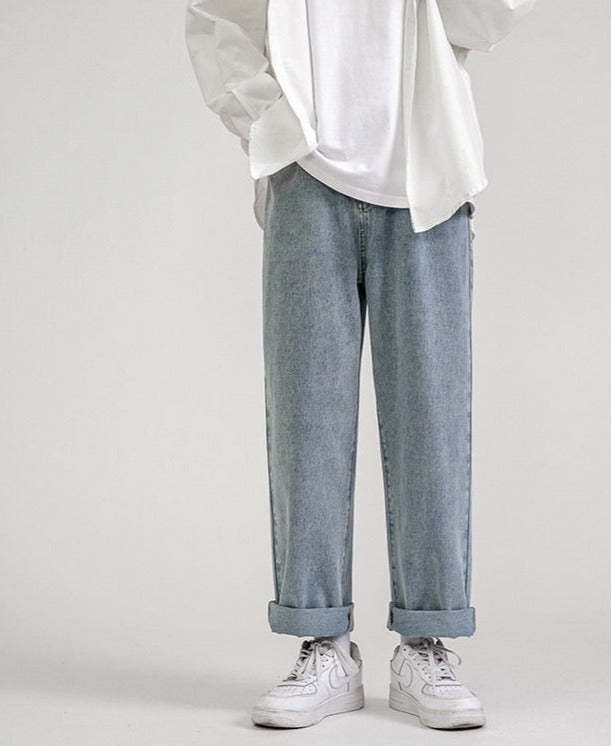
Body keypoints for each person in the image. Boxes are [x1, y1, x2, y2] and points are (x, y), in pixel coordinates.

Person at [185, 0, 536, 730]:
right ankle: (325, 647)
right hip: (307, 179)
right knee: (306, 423)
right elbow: (218, 17)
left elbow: (488, 18)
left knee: (432, 422)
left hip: (426, 177)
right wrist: (271, 128)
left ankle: (425, 644)